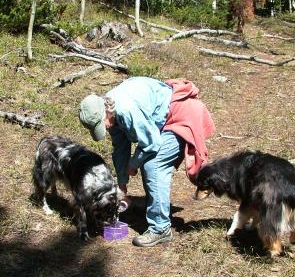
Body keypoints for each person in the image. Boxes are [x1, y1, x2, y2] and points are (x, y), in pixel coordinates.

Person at [79, 76, 215, 247]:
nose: (104, 128)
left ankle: (160, 229)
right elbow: (120, 147)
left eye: (101, 123)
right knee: (146, 160)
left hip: (179, 115)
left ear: (105, 111)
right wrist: (122, 182)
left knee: (153, 165)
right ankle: (156, 208)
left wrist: (133, 164)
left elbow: (152, 143)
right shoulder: (111, 110)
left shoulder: (126, 110)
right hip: (161, 120)